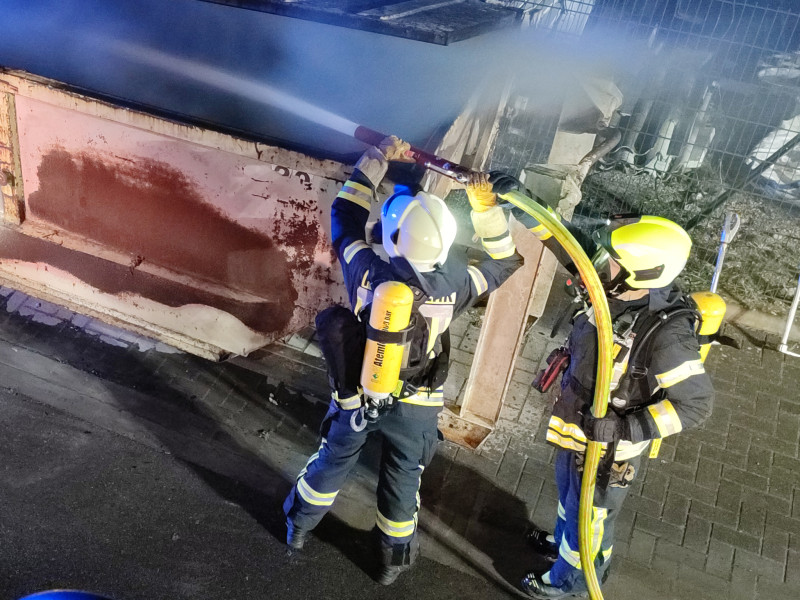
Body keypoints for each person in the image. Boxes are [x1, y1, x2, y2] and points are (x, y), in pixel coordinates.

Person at [282, 137, 523, 585]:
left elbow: (345, 217)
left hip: (359, 393)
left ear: (394, 239)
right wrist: (485, 208)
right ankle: (390, 565)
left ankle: (298, 528)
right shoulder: (455, 285)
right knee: (402, 481)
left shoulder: (368, 271)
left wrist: (377, 160)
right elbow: (505, 261)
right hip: (417, 404)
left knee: (331, 463)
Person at [488, 172, 715, 599]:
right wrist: (519, 198)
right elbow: (563, 240)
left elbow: (695, 405)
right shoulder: (613, 286)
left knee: (590, 519)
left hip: (608, 448)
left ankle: (569, 580)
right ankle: (563, 545)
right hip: (578, 424)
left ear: (639, 273)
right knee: (570, 499)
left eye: (612, 259)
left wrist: (624, 429)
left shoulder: (666, 336)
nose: (600, 262)